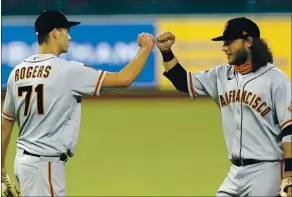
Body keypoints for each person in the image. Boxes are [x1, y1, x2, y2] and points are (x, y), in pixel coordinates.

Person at [1, 10, 155, 196]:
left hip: (23, 162)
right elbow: (123, 79)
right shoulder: (67, 71)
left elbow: (5, 124)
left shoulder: (16, 73)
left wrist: (1, 167)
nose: (70, 37)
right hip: (45, 166)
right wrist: (146, 48)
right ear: (55, 32)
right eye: (66, 31)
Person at [155, 17, 292, 196]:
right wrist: (166, 52)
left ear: (249, 41)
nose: (224, 48)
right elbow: (184, 83)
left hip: (267, 170)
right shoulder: (220, 74)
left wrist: (289, 174)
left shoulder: (277, 80)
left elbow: (289, 130)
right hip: (236, 172)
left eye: (229, 42)